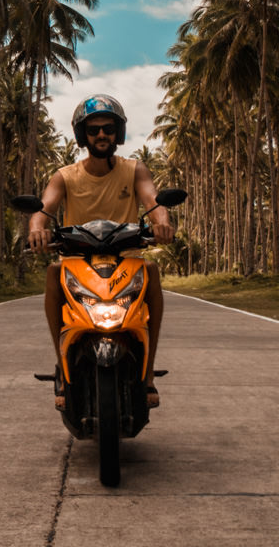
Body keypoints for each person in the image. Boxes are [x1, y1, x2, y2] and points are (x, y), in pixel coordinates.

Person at [27, 94, 174, 407]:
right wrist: (36, 229)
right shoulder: (64, 175)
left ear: (118, 133)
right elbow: (44, 208)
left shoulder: (134, 170)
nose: (101, 135)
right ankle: (63, 371)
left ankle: (147, 374)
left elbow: (153, 201)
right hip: (77, 260)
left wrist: (162, 222)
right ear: (83, 135)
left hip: (126, 259)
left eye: (108, 128)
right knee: (53, 273)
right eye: (93, 130)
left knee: (152, 271)